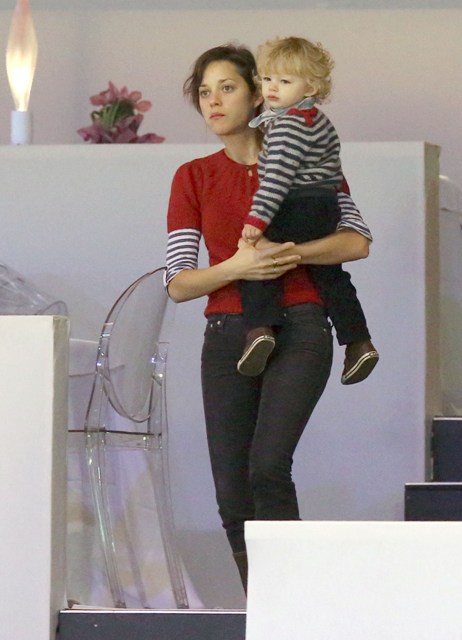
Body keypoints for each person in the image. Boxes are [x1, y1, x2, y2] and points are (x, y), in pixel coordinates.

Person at [165, 43, 372, 595]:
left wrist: (289, 253)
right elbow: (179, 282)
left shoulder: (305, 155)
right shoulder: (193, 176)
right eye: (204, 92)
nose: (213, 101)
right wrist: (238, 266)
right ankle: (266, 610)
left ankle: (291, 607)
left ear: (259, 94)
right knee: (232, 495)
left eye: (227, 88)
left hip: (301, 323)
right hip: (225, 334)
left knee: (267, 467)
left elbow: (356, 241)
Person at [237, 36, 379, 384]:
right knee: (330, 275)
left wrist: (257, 220)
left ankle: (260, 329)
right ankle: (358, 342)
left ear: (311, 88)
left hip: (297, 203)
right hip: (323, 206)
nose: (272, 88)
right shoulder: (316, 120)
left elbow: (276, 179)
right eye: (267, 78)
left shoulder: (289, 125)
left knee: (259, 259)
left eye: (285, 81)